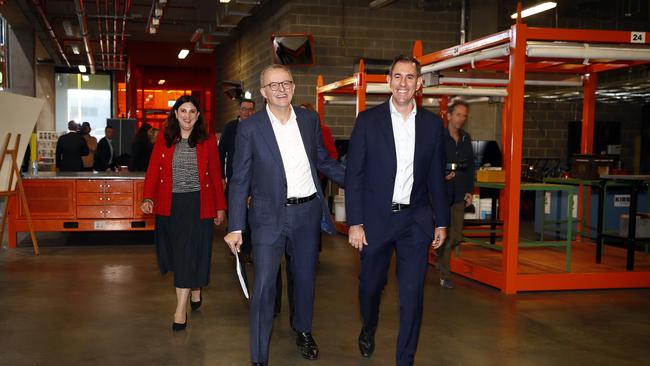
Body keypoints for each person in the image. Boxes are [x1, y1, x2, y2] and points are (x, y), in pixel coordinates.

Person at [224, 64, 344, 366]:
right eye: (273, 85)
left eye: (286, 83)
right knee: (264, 285)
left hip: (306, 212)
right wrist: (235, 225)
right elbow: (240, 179)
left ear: (293, 87)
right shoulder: (250, 128)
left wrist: (360, 181)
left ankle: (303, 330)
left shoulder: (308, 120)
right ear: (264, 92)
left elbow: (322, 160)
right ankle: (259, 355)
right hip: (267, 216)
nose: (281, 89)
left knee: (304, 278)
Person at [345, 55, 449, 366]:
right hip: (376, 220)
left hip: (414, 222)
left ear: (419, 84)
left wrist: (441, 221)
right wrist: (355, 222)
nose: (403, 83)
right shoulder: (368, 121)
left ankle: (405, 359)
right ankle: (369, 325)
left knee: (412, 295)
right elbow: (355, 175)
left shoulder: (432, 125)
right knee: (370, 287)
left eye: (410, 77)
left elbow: (435, 176)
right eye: (397, 77)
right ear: (389, 81)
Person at [141, 95, 226, 331]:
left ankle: (180, 310)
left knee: (190, 252)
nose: (187, 115)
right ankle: (195, 288)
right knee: (180, 255)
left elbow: (216, 176)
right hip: (171, 205)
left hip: (199, 206)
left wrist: (220, 207)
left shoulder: (207, 141)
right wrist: (148, 197)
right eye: (183, 111)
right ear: (176, 114)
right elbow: (152, 172)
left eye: (192, 111)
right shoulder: (164, 140)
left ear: (198, 116)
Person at [439, 99, 474, 289]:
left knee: (456, 236)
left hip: (459, 192)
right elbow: (430, 161)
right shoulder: (439, 137)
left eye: (464, 116)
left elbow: (470, 168)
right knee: (444, 233)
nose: (461, 119)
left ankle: (438, 253)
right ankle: (445, 274)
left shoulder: (466, 139)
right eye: (458, 114)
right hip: (441, 193)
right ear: (449, 115)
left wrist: (470, 190)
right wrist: (442, 174)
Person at [218, 98, 256, 261]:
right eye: (244, 109)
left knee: (251, 215)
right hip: (234, 179)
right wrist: (221, 176)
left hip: (254, 180)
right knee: (234, 210)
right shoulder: (231, 128)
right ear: (239, 111)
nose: (247, 112)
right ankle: (236, 242)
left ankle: (248, 248)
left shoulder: (258, 127)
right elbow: (221, 153)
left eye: (250, 109)